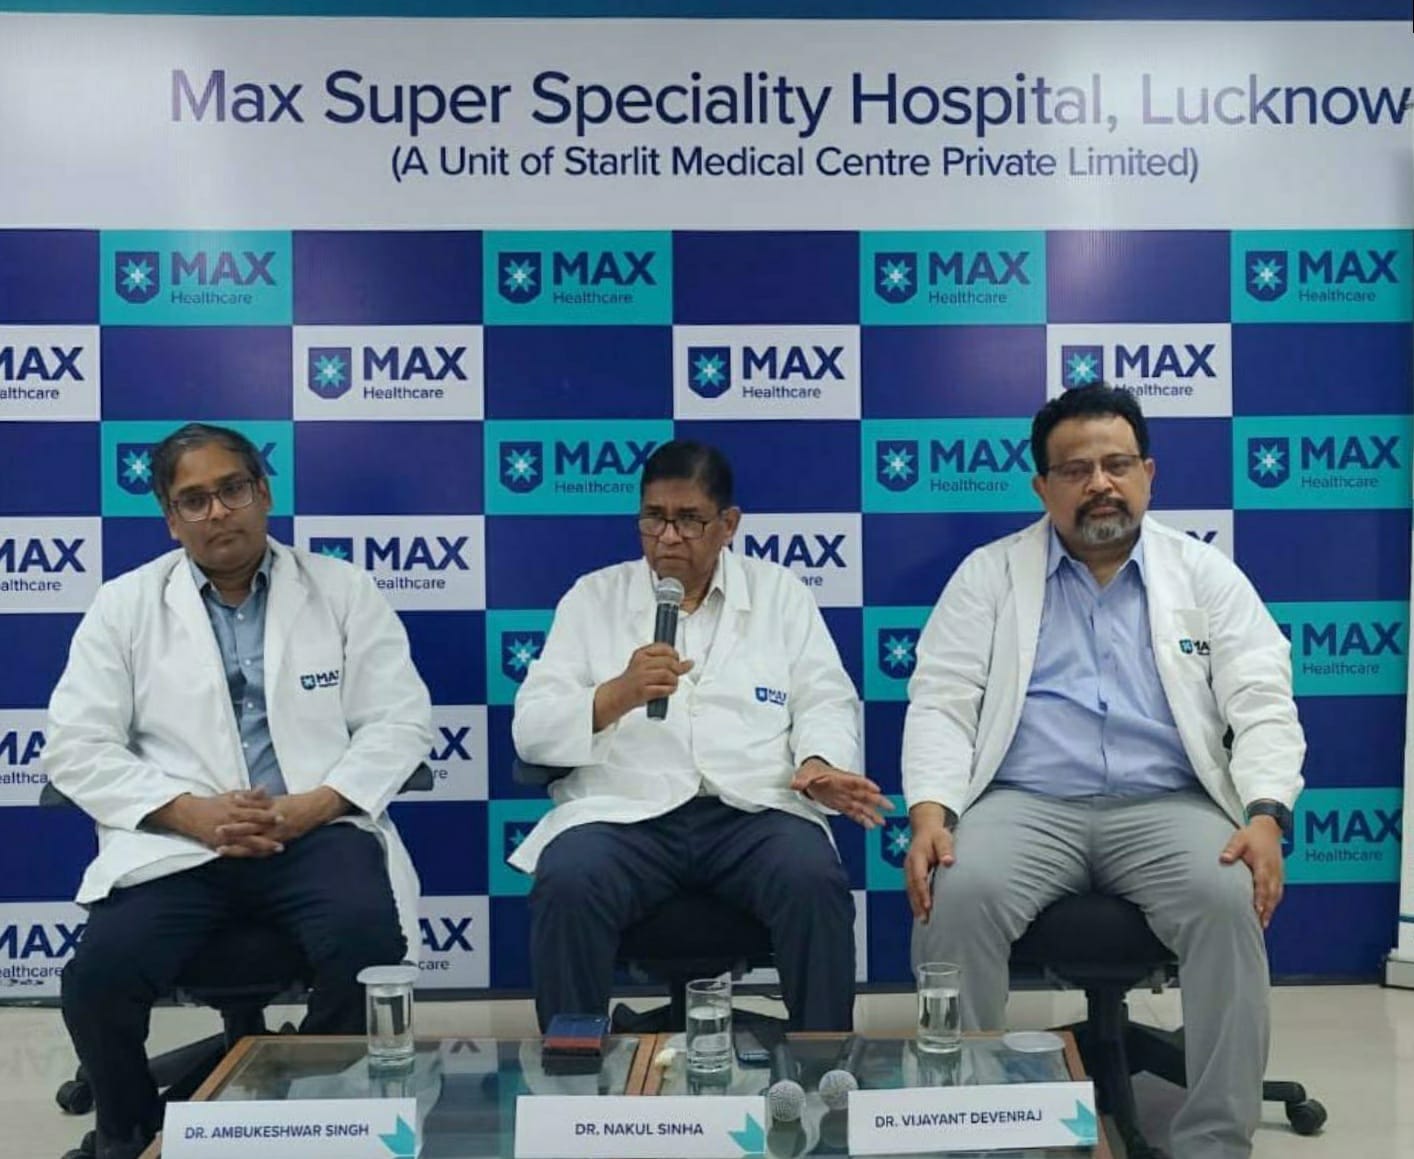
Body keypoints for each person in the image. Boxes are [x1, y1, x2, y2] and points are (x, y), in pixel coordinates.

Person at [903, 384, 1305, 1159]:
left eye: (1117, 464)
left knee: (1227, 895)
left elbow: (1262, 699)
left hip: (1168, 802)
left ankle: (1214, 1141)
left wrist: (1264, 812)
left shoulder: (1204, 574)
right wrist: (930, 813)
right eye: (1076, 469)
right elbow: (942, 702)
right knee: (955, 891)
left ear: (1148, 473)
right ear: (1042, 485)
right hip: (1027, 801)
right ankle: (971, 1130)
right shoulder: (989, 575)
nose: (1100, 484)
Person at [46, 423, 432, 1159]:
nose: (218, 511)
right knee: (97, 978)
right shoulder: (125, 605)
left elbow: (401, 721)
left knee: (369, 945)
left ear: (264, 493)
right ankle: (132, 1135)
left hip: (312, 831)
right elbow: (75, 744)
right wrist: (188, 812)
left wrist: (317, 803)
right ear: (171, 518)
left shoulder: (342, 591)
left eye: (232, 489)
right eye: (194, 500)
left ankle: (310, 1118)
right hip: (179, 841)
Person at [511, 439, 888, 1031]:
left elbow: (824, 696)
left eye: (689, 520)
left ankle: (823, 1064)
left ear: (728, 524)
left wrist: (819, 762)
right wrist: (615, 696)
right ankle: (573, 1071)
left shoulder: (779, 593)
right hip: (624, 813)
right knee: (569, 880)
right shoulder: (593, 598)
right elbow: (531, 731)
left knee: (812, 879)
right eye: (654, 518)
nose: (668, 538)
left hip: (752, 810)